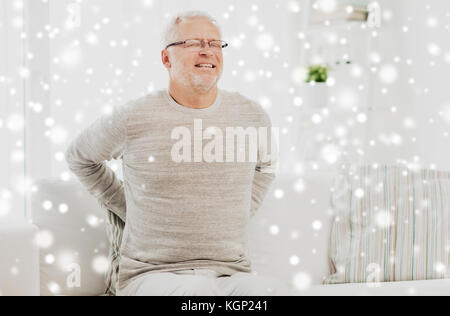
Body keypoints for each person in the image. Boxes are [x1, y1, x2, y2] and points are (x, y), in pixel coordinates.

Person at [65, 10, 289, 296]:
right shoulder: (133, 117)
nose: (208, 51)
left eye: (215, 44)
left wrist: (244, 208)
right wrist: (128, 207)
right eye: (194, 42)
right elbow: (80, 157)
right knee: (197, 295)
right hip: (151, 276)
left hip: (230, 274)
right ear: (166, 58)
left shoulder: (253, 115)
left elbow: (267, 166)